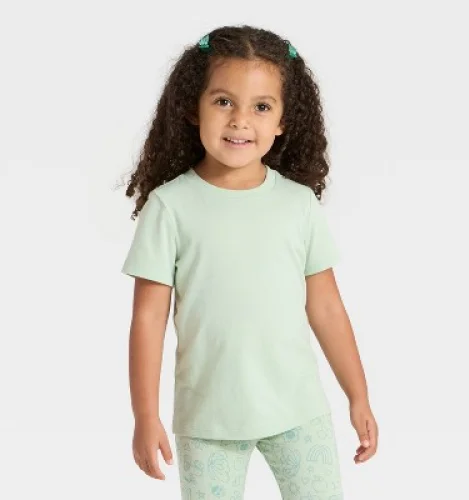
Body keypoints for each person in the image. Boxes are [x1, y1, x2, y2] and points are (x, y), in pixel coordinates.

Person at [120, 25, 378, 499]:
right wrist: (145, 415)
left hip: (298, 411)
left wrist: (357, 395)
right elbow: (148, 319)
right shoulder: (169, 208)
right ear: (192, 107)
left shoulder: (298, 204)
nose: (240, 120)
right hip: (208, 421)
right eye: (223, 101)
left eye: (261, 106)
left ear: (283, 120)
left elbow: (326, 308)